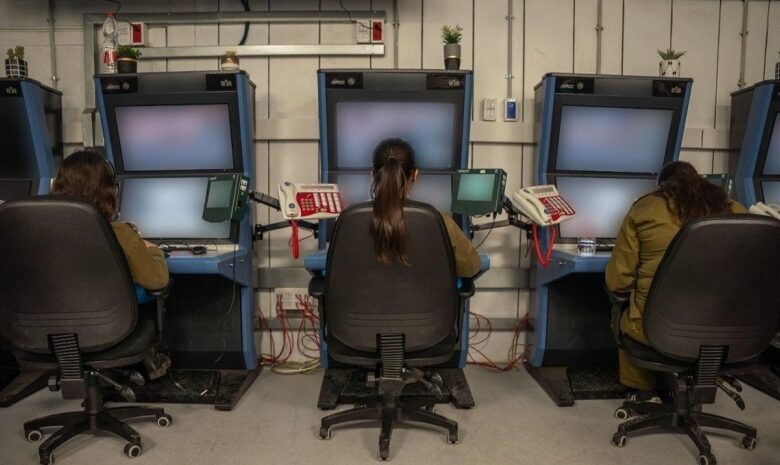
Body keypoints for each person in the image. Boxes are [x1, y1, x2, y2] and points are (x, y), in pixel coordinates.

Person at [605, 161, 747, 401]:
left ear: (662, 187)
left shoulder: (645, 209)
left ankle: (644, 391)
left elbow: (619, 281)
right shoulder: (737, 210)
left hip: (658, 331)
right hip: (729, 332)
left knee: (627, 307)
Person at [50, 149, 171, 379]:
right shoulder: (119, 233)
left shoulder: (39, 233)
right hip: (108, 331)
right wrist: (153, 251)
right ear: (109, 191)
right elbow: (156, 280)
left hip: (49, 336)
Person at [370, 138, 481, 277]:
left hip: (365, 292)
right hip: (428, 292)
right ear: (415, 175)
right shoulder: (439, 220)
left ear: (372, 174)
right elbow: (470, 267)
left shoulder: (350, 221)